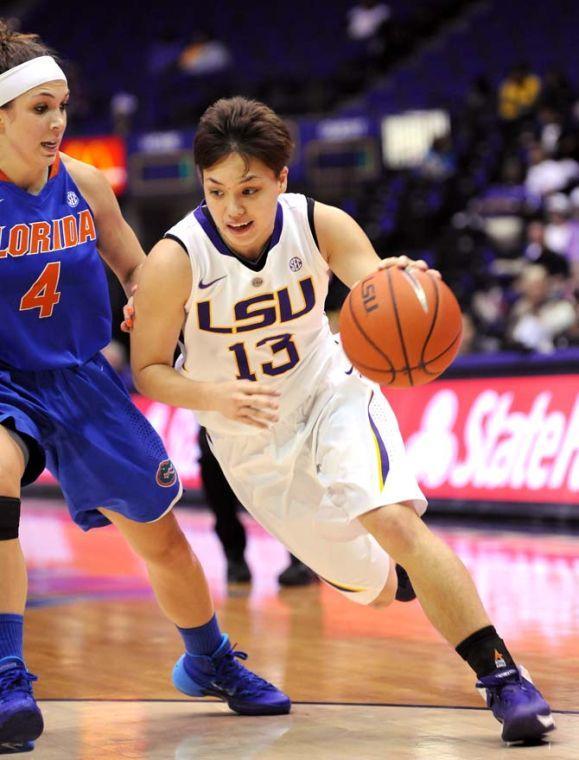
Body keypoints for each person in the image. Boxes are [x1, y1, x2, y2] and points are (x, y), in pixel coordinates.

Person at [130, 96, 555, 744]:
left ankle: (504, 679)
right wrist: (212, 396)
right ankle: (406, 579)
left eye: (249, 188)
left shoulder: (319, 224)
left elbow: (375, 287)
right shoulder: (175, 260)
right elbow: (149, 370)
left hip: (331, 393)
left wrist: (404, 284)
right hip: (249, 443)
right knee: (375, 589)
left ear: (281, 179)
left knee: (391, 518)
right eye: (217, 191)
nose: (234, 208)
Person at [0, 24, 289, 752]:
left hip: (81, 377)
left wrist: (143, 298)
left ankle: (209, 659)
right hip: (5, 380)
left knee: (159, 537)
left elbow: (136, 271)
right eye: (40, 107)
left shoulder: (85, 184)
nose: (58, 121)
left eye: (62, 105)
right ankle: (7, 674)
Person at [198, 425, 318, 585]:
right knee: (210, 458)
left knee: (291, 456)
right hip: (221, 415)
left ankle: (303, 558)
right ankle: (234, 557)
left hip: (274, 413)